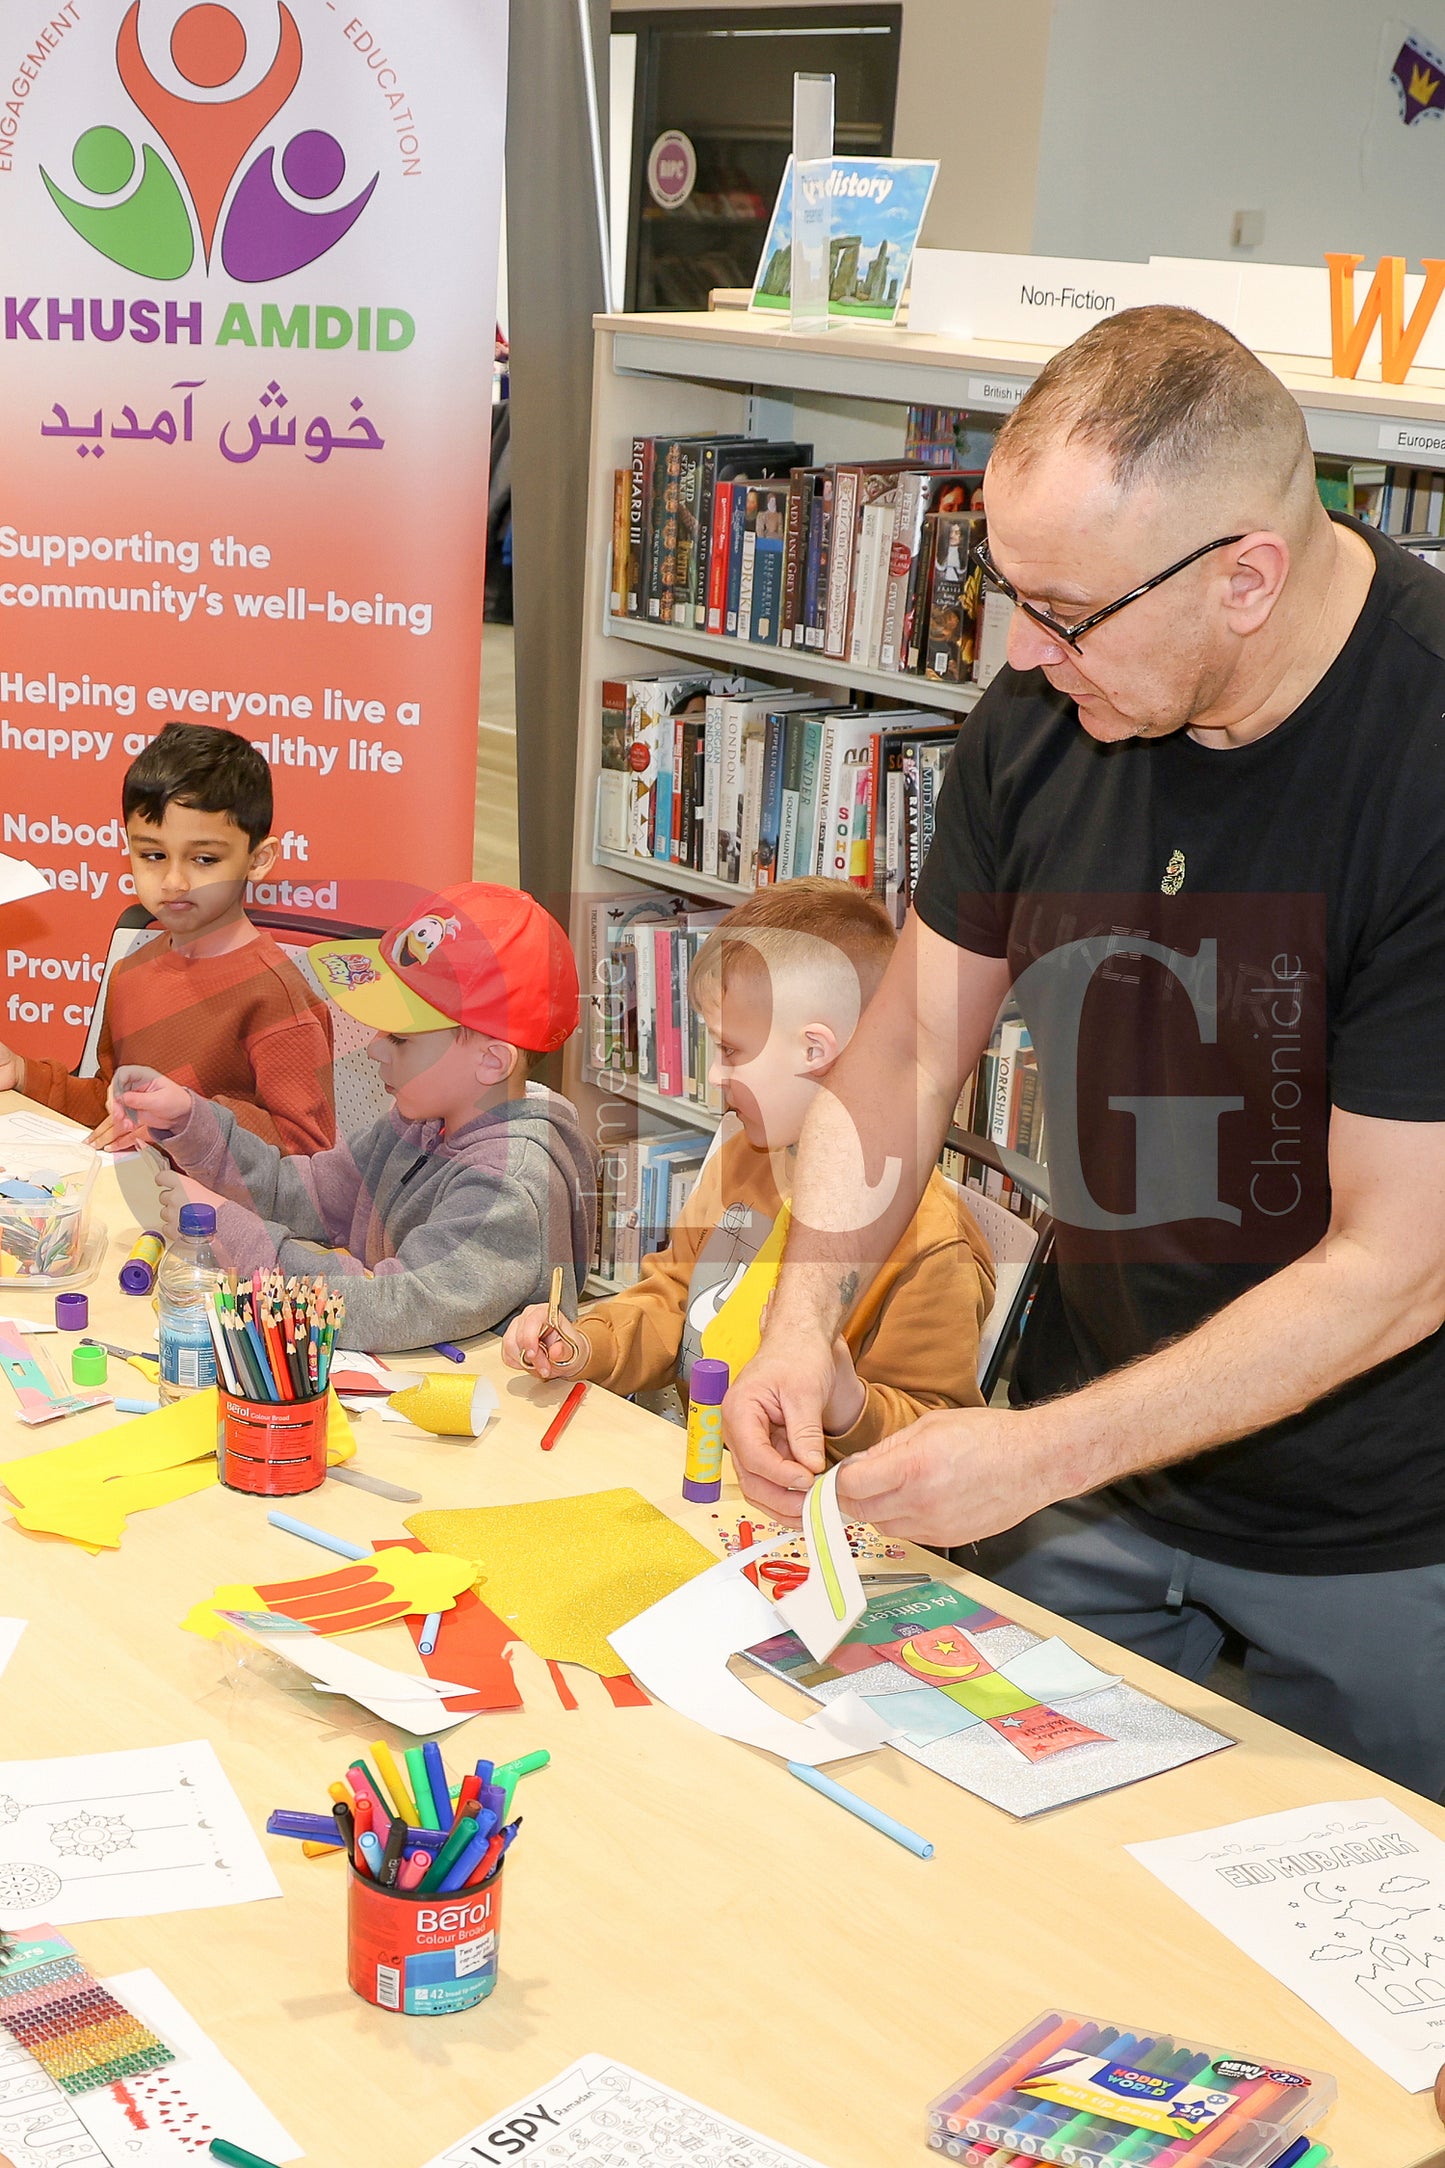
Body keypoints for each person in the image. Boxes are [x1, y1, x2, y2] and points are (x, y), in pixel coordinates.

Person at [724, 304, 1445, 1801]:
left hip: (1385, 1520)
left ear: (1247, 575)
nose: (1018, 653)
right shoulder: (1052, 708)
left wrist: (1036, 1457)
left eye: (1065, 612)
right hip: (1087, 1440)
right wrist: (804, 1319)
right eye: (1008, 591)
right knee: (1005, 1878)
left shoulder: (1423, 762)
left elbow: (1397, 1266)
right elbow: (914, 1048)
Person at [502, 879, 994, 1447]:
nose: (713, 1075)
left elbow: (938, 1430)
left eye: (731, 1050)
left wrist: (846, 1402)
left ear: (816, 1052)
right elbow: (672, 1303)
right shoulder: (744, 1157)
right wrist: (583, 1342)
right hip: (704, 1471)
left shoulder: (931, 1243)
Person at [106, 883, 595, 1353]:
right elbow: (308, 1195)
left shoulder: (510, 1185)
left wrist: (235, 1240)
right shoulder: (420, 1122)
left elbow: (393, 1306)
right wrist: (192, 1122)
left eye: (402, 1038)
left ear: (492, 1061)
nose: (376, 1046)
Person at [0, 723, 334, 1156]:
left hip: (220, 1220)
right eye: (153, 855)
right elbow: (113, 1108)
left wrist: (182, 1125)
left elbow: (308, 1156)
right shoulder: (131, 973)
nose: (174, 881)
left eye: (204, 859)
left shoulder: (278, 1000)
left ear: (259, 860)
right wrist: (24, 1073)